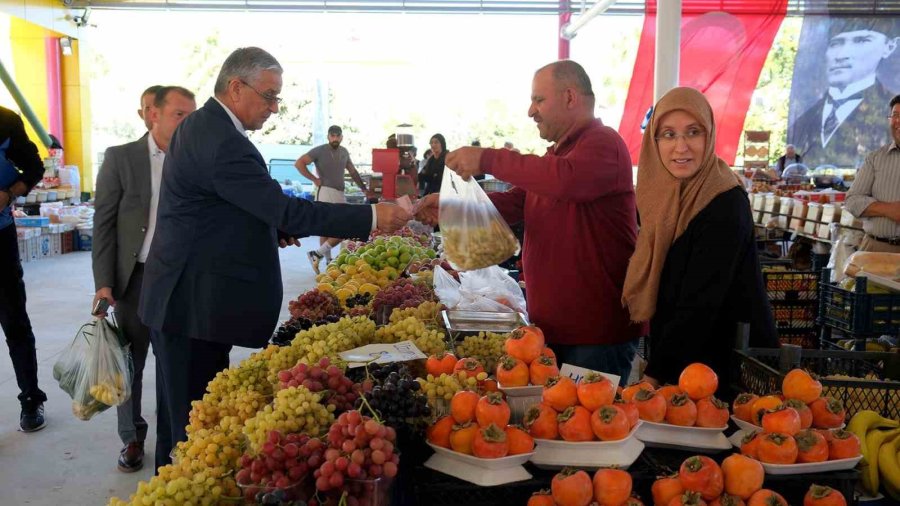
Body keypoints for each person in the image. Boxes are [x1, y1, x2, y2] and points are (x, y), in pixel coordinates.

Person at [138, 47, 410, 470]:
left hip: (191, 300)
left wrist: (270, 229)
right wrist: (372, 216)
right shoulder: (219, 139)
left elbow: (224, 206)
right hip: (189, 304)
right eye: (269, 96)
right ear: (235, 87)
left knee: (185, 419)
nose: (274, 107)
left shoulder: (209, 127)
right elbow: (282, 208)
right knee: (190, 434)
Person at [417, 60, 645, 383]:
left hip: (594, 337)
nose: (531, 111)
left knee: (588, 415)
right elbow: (515, 203)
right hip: (554, 330)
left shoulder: (604, 143)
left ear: (570, 97)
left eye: (539, 100)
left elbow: (565, 180)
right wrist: (450, 206)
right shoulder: (558, 155)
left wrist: (487, 158)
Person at [621, 87, 778, 395]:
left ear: (709, 136)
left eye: (693, 132)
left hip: (731, 373)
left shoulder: (725, 202)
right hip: (687, 363)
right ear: (654, 141)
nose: (681, 147)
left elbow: (700, 303)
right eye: (668, 134)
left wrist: (653, 378)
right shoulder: (664, 195)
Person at [92, 86, 197, 472]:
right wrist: (104, 282)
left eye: (192, 116)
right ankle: (132, 438)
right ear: (155, 115)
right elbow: (104, 223)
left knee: (174, 363)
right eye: (180, 115)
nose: (188, 123)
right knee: (130, 362)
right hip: (135, 278)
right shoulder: (121, 158)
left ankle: (175, 438)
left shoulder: (195, 159)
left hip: (179, 279)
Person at [791, 18, 898, 167]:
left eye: (861, 41)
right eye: (835, 44)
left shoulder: (891, 112)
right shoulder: (804, 118)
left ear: (889, 47)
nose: (841, 55)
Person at [0, 106, 47, 432]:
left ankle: (31, 398)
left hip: (0, 240)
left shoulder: (5, 121)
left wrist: (7, 194)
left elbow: (33, 167)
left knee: (14, 322)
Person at [295, 125, 374, 272]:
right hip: (325, 191)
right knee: (335, 227)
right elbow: (299, 163)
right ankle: (326, 260)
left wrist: (364, 189)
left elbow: (353, 171)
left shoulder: (344, 152)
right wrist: (314, 179)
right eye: (332, 135)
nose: (335, 138)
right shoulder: (319, 150)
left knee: (339, 227)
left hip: (339, 192)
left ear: (342, 137)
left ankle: (320, 256)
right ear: (328, 137)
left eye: (338, 136)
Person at [845, 94, 900, 253]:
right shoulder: (875, 158)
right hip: (876, 248)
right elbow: (852, 200)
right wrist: (888, 209)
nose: (898, 121)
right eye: (895, 115)